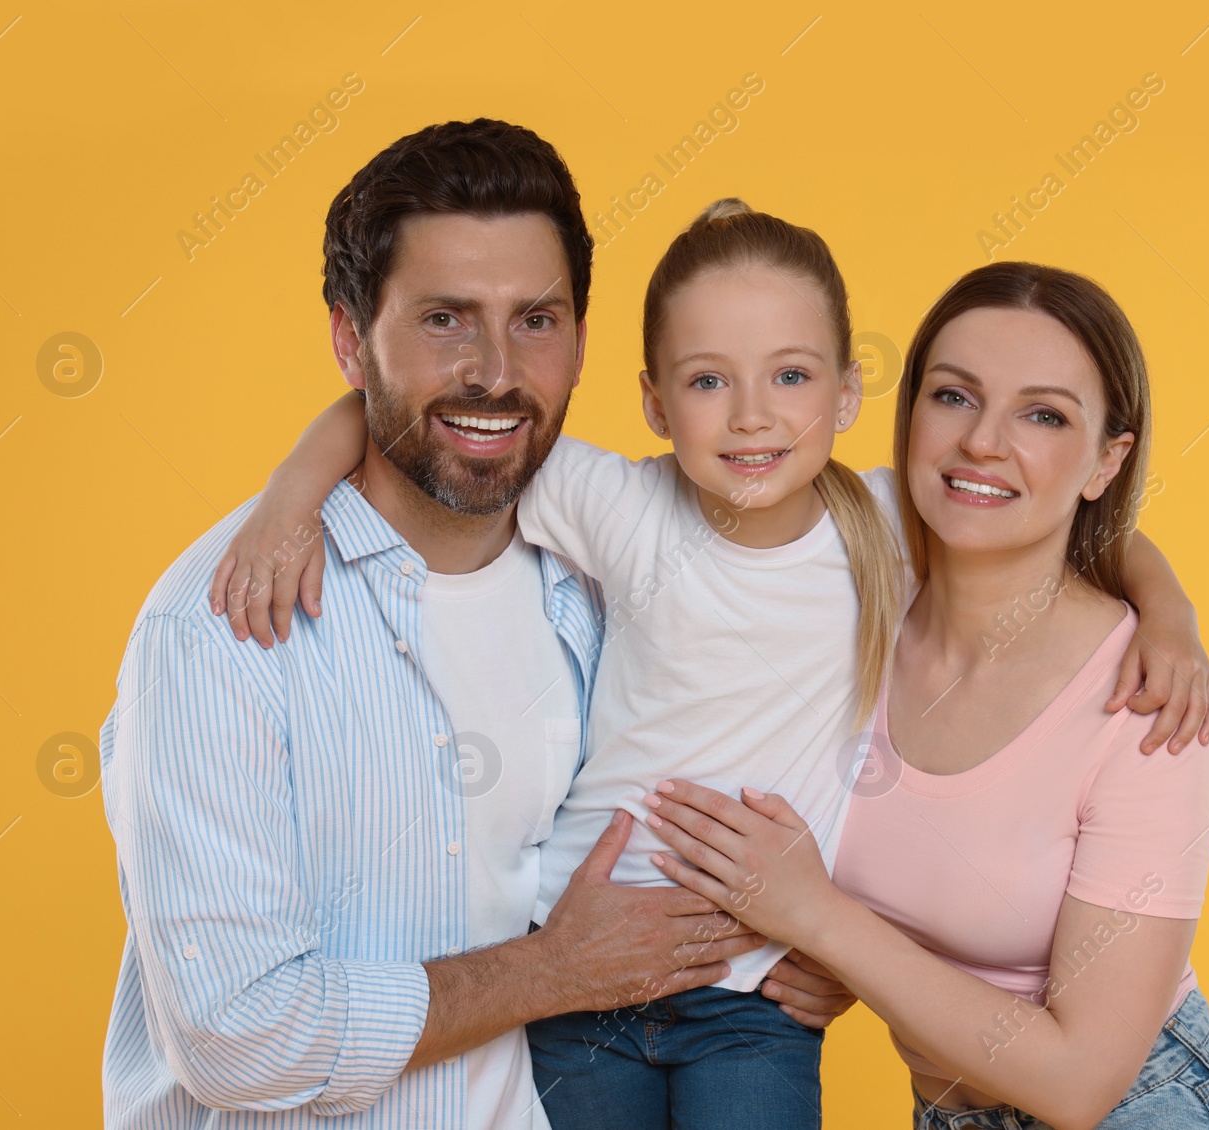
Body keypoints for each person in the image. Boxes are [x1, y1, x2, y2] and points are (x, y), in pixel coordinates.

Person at [212, 206, 1209, 1128]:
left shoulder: (876, 532)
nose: (749, 415)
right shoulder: (704, 520)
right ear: (655, 400)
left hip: (825, 1022)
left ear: (842, 393)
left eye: (787, 375)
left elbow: (1087, 525)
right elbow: (421, 412)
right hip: (590, 970)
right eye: (708, 380)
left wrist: (1166, 613)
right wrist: (286, 501)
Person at [99, 120, 796, 1130]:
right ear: (349, 338)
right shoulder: (220, 623)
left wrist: (804, 957)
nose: (495, 370)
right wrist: (551, 970)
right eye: (443, 319)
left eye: (536, 320)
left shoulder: (619, 575)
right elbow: (236, 1034)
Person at [640, 262, 1209, 1130]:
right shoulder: (851, 592)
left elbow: (1078, 1082)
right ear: (906, 418)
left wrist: (824, 923)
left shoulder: (1147, 707)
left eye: (1044, 414)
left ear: (1107, 459)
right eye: (953, 397)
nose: (984, 442)